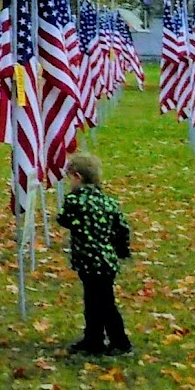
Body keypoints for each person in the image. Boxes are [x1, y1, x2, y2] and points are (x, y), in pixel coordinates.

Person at [57, 151, 132, 355]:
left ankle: (120, 341)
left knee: (103, 303)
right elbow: (122, 228)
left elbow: (63, 219)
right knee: (96, 300)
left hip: (88, 260)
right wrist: (121, 250)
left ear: (77, 177)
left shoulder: (75, 201)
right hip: (107, 260)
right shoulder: (108, 202)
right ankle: (93, 338)